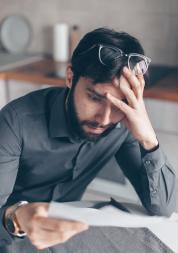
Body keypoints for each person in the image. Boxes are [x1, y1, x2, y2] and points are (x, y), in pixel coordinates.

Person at [0, 27, 176, 252]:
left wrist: (149, 139)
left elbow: (163, 208)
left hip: (66, 237)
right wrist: (16, 217)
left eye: (119, 105)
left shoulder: (121, 126)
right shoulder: (15, 123)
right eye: (94, 98)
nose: (104, 119)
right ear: (70, 76)